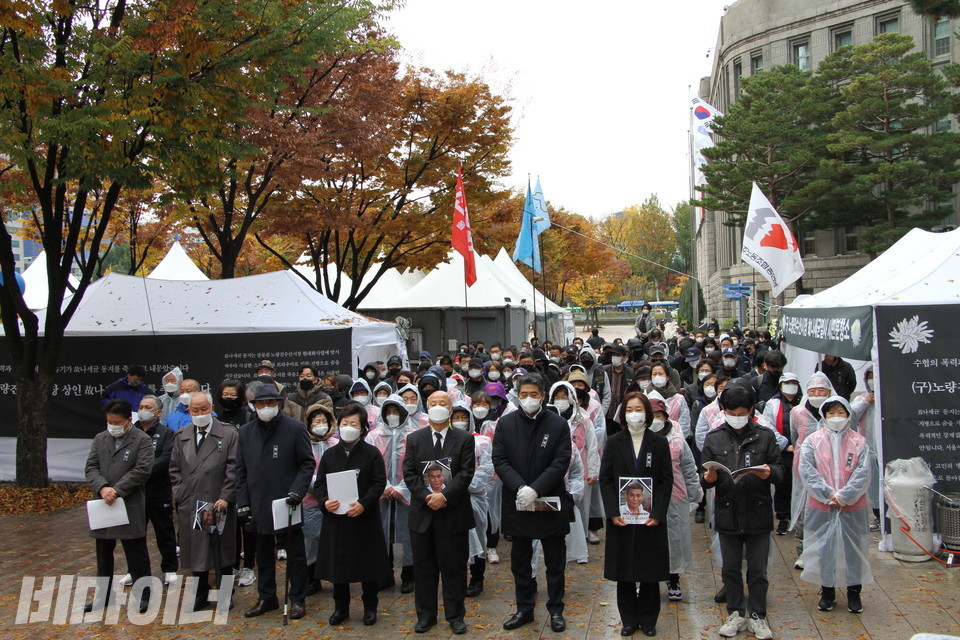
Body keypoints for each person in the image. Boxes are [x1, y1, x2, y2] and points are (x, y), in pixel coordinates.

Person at [492, 373, 574, 633]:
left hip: (549, 500)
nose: (529, 399)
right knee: (520, 559)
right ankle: (524, 609)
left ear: (543, 395)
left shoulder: (558, 424)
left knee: (554, 560)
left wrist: (536, 488)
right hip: (518, 501)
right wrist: (520, 487)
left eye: (534, 394)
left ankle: (556, 610)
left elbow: (561, 461)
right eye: (524, 394)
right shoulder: (505, 425)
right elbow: (500, 460)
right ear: (517, 395)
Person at [701, 386, 782, 640]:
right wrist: (710, 476)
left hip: (758, 509)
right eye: (731, 412)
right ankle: (735, 613)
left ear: (751, 411)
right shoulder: (714, 438)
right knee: (731, 568)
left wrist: (770, 473)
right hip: (727, 511)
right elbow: (704, 480)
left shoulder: (765, 436)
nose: (737, 416)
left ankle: (758, 614)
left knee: (758, 569)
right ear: (723, 411)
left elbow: (780, 471)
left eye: (742, 412)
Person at [236, 385, 314, 620]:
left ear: (279, 404)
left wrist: (297, 492)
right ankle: (267, 596)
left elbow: (307, 464)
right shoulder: (245, 432)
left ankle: (297, 598)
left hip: (286, 502)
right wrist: (243, 502)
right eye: (261, 404)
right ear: (254, 406)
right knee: (263, 554)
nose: (266, 408)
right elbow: (240, 470)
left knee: (295, 553)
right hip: (258, 501)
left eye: (271, 403)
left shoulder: (295, 428)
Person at [599, 392, 673, 637]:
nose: (634, 414)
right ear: (623, 413)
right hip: (621, 517)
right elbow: (606, 479)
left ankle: (649, 619)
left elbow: (665, 481)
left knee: (650, 569)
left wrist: (658, 512)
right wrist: (612, 512)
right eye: (629, 409)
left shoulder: (659, 443)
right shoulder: (614, 441)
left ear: (647, 413)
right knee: (625, 570)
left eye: (639, 409)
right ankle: (629, 619)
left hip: (650, 517)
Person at [402, 391, 476, 635]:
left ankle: (455, 615)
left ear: (451, 408)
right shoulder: (414, 439)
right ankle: (426, 615)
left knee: (454, 567)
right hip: (423, 514)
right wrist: (427, 497)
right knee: (424, 568)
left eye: (442, 403)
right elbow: (410, 474)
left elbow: (466, 473)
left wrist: (444, 496)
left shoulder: (464, 438)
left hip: (453, 512)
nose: (437, 407)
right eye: (432, 403)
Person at [315, 402, 392, 626]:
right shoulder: (330, 455)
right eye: (344, 423)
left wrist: (364, 503)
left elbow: (379, 483)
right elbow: (320, 485)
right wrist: (324, 502)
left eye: (353, 424)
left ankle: (370, 607)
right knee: (339, 566)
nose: (348, 427)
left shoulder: (371, 453)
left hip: (363, 517)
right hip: (336, 517)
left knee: (367, 564)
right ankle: (341, 608)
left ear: (362, 428)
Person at [798, 395, 872, 615]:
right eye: (831, 413)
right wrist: (828, 493)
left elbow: (863, 472)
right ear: (824, 415)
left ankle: (854, 593)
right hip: (822, 504)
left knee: (853, 550)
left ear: (848, 415)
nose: (836, 417)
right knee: (825, 549)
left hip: (852, 505)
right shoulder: (813, 441)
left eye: (841, 413)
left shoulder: (859, 441)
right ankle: (827, 591)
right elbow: (807, 471)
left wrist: (845, 495)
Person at [82, 400, 154, 613]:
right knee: (103, 552)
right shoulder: (100, 439)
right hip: (103, 504)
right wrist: (103, 487)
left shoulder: (142, 440)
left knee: (136, 552)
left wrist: (117, 489)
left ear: (128, 421)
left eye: (117, 422)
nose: (112, 426)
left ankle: (144, 595)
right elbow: (91, 467)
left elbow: (142, 470)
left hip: (128, 503)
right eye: (109, 422)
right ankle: (103, 596)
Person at [169, 391, 238, 611]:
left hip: (218, 501)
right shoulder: (182, 435)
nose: (199, 414)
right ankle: (200, 594)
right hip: (191, 502)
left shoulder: (228, 434)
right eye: (194, 410)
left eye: (203, 409)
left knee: (222, 551)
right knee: (196, 551)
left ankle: (225, 594)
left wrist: (225, 497)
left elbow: (234, 469)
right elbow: (174, 470)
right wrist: (181, 494)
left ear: (211, 409)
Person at [647, 396, 702, 603]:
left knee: (674, 539)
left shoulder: (677, 439)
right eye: (652, 416)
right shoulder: (638, 439)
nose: (656, 420)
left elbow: (688, 467)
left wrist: (695, 493)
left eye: (659, 416)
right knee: (648, 539)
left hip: (675, 495)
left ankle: (673, 578)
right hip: (645, 497)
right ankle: (646, 578)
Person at [365, 394, 418, 593]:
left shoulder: (413, 435)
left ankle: (408, 575)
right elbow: (370, 464)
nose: (393, 415)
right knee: (382, 534)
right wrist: (384, 485)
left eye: (396, 411)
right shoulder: (374, 436)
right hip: (382, 493)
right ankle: (384, 574)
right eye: (389, 411)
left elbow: (417, 467)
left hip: (407, 494)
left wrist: (402, 488)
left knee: (406, 535)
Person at [124, 395, 178, 587]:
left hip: (158, 491)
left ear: (158, 413)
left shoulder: (166, 433)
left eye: (148, 407)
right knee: (133, 534)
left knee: (164, 532)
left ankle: (170, 568)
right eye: (140, 406)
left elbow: (165, 459)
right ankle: (134, 570)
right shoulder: (130, 432)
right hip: (134, 493)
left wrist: (140, 472)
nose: (142, 410)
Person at [790, 372, 836, 569]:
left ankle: (827, 551)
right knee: (804, 512)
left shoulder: (835, 411)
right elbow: (794, 437)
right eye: (813, 391)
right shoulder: (798, 412)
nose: (817, 394)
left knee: (827, 510)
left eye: (821, 390)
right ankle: (803, 552)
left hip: (830, 470)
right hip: (803, 469)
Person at [450, 401, 494, 597]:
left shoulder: (482, 442)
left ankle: (477, 577)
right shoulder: (446, 441)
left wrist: (462, 486)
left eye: (463, 418)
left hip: (474, 498)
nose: (460, 422)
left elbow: (485, 470)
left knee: (477, 537)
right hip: (451, 498)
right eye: (456, 418)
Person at [762, 372, 802, 535]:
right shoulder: (772, 404)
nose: (790, 385)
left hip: (803, 451)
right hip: (783, 452)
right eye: (787, 383)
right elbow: (768, 426)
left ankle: (798, 515)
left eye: (794, 382)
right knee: (783, 485)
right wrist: (785, 445)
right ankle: (783, 518)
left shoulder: (804, 402)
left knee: (800, 484)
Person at [303, 405, 337, 595]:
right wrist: (319, 487)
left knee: (332, 539)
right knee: (311, 540)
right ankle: (311, 578)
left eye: (324, 421)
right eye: (317, 421)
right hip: (310, 500)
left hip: (335, 500)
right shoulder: (304, 444)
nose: (321, 425)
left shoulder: (336, 443)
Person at [850, 367, 881, 530]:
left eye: (874, 376)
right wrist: (865, 401)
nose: (872, 380)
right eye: (869, 377)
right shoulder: (863, 398)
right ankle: (877, 516)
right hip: (869, 450)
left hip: (886, 451)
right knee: (873, 486)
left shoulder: (889, 396)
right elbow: (850, 414)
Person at [604, 344, 637, 436]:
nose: (615, 358)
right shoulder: (604, 371)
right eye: (614, 355)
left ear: (625, 357)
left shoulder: (631, 373)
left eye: (618, 356)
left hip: (622, 415)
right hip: (607, 414)